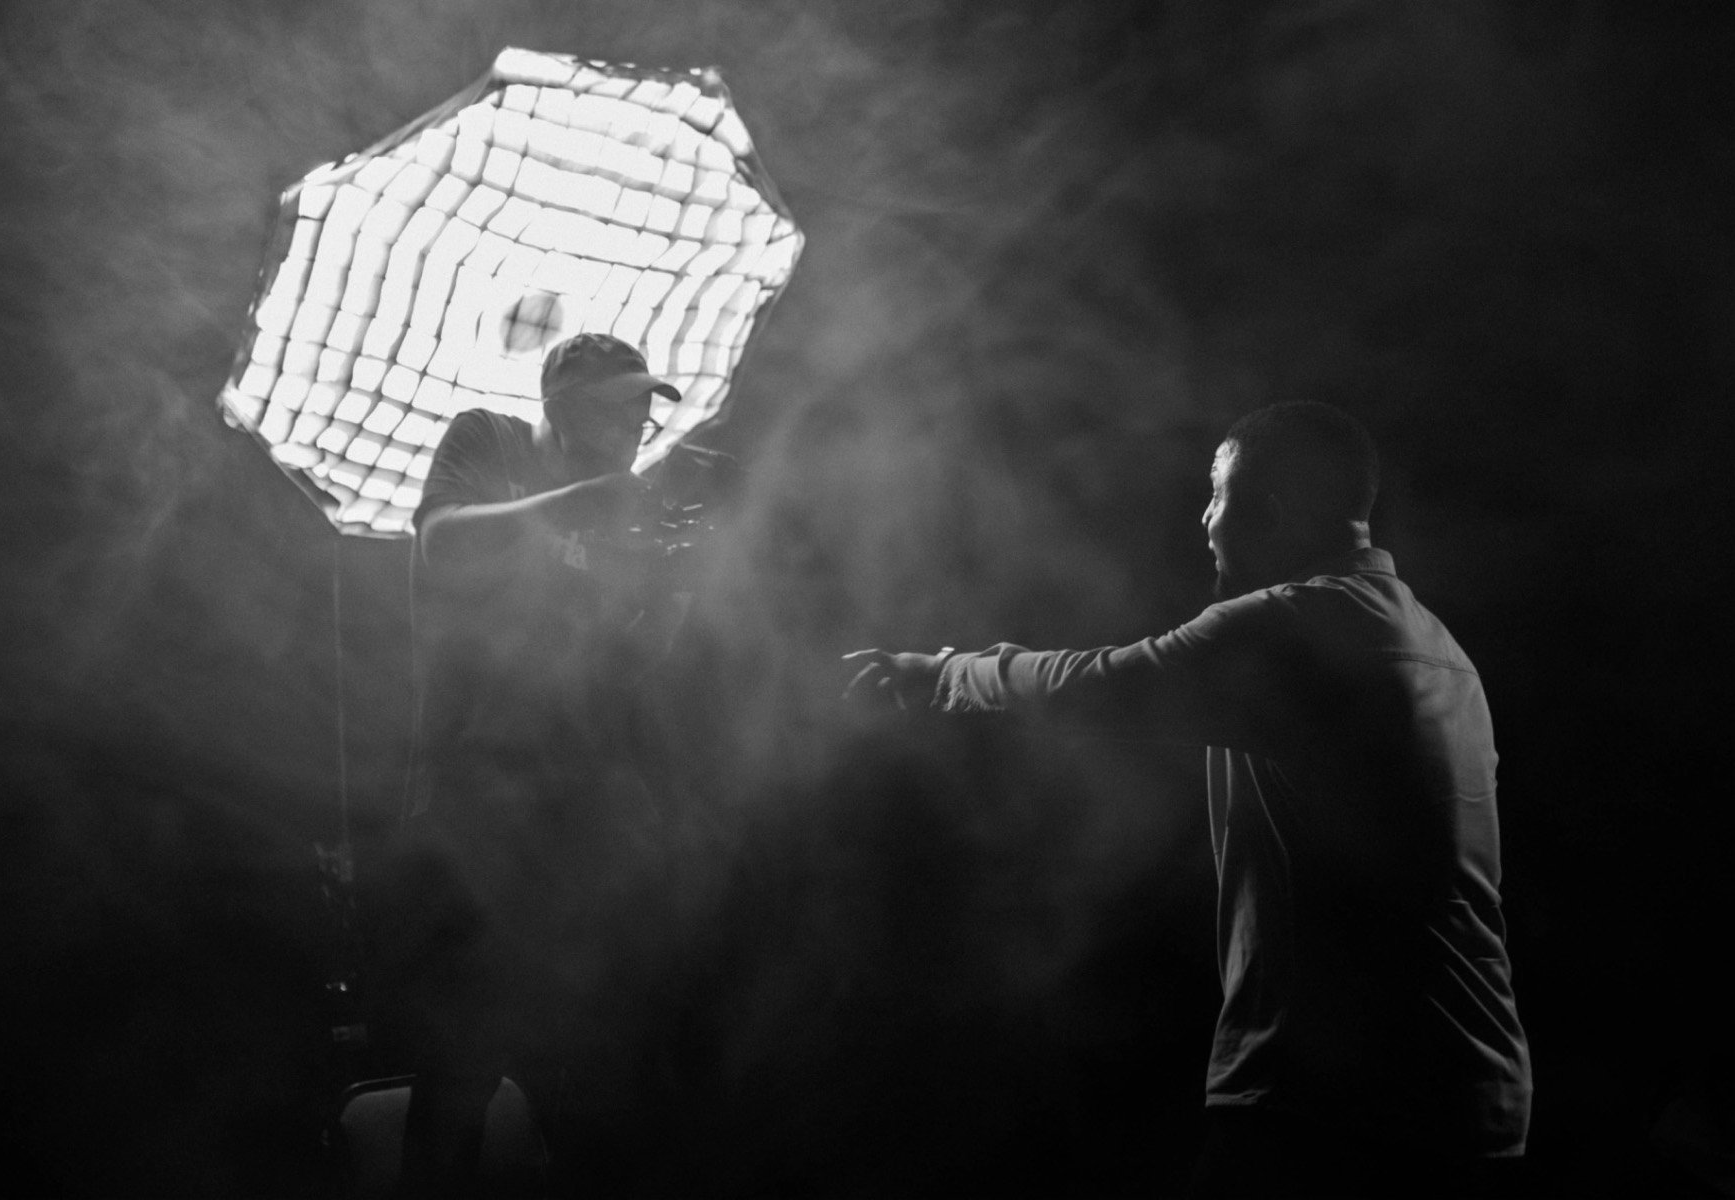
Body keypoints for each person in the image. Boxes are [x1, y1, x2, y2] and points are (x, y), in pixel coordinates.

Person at [846, 402, 1531, 1198]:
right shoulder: (1442, 650)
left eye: (1216, 493)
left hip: (1347, 1111)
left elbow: (1096, 684)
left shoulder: (1298, 624)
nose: (1204, 520)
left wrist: (938, 674)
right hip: (1469, 1104)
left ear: (1270, 509)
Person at [384, 333, 692, 1196]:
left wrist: (664, 606)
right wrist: (579, 505)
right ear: (560, 407)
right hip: (472, 809)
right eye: (617, 404)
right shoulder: (490, 440)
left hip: (579, 826)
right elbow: (443, 546)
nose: (637, 423)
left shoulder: (630, 515)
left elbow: (617, 675)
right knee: (458, 1068)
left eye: (645, 406)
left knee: (592, 1072)